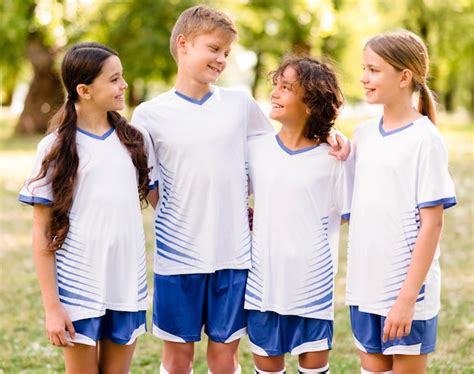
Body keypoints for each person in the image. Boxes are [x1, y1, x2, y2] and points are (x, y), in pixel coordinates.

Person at [131, 5, 350, 373]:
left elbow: (288, 145)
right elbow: (150, 187)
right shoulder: (150, 114)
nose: (221, 59)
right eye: (214, 48)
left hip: (233, 256)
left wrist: (329, 133)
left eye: (227, 53)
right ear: (183, 44)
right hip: (178, 258)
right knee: (177, 357)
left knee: (224, 354)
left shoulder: (239, 105)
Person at [18, 42, 159, 374]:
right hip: (79, 287)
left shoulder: (134, 140)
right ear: (84, 90)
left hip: (127, 283)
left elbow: (160, 202)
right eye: (114, 79)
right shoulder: (54, 148)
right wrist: (53, 308)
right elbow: (41, 233)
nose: (124, 85)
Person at [345, 30, 456, 374]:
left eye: (374, 69)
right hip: (364, 286)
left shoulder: (425, 139)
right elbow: (356, 210)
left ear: (404, 76)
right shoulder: (362, 135)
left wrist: (407, 299)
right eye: (364, 68)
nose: (364, 77)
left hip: (406, 293)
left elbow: (433, 224)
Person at [245, 56, 353, 374]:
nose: (275, 93)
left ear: (310, 103)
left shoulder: (334, 158)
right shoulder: (256, 149)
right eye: (276, 85)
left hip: (312, 285)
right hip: (263, 284)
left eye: (286, 88)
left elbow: (348, 213)